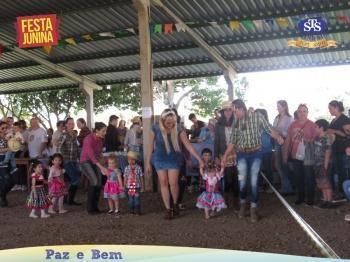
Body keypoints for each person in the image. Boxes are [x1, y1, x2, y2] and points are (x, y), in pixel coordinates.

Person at [222, 99, 284, 223]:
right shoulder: (236, 121)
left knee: (254, 181)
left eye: (235, 111)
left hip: (256, 152)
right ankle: (243, 204)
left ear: (241, 108)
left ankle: (253, 208)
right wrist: (225, 155)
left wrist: (278, 137)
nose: (234, 114)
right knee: (242, 181)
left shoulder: (257, 117)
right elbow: (233, 141)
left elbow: (268, 129)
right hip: (241, 154)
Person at [145, 109, 204, 219]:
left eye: (173, 123)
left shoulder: (179, 128)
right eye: (168, 123)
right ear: (162, 120)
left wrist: (199, 159)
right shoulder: (155, 128)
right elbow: (149, 146)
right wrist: (147, 162)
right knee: (163, 183)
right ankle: (168, 209)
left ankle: (175, 204)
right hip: (159, 158)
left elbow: (188, 145)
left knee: (173, 183)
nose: (171, 125)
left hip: (174, 158)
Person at [283, 104, 318, 206]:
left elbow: (316, 140)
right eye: (300, 111)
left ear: (307, 112)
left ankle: (310, 198)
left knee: (309, 177)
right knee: (298, 177)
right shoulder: (293, 125)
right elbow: (288, 140)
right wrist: (285, 154)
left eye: (304, 111)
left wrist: (308, 140)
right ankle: (301, 197)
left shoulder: (312, 124)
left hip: (308, 155)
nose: (302, 113)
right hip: (295, 155)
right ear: (297, 113)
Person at [214, 101, 239, 209]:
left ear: (232, 111)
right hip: (224, 154)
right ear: (223, 112)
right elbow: (216, 141)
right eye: (225, 110)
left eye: (229, 109)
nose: (228, 112)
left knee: (237, 177)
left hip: (237, 153)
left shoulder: (238, 122)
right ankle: (227, 199)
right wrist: (216, 156)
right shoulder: (218, 125)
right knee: (228, 177)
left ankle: (236, 200)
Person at [80, 122, 109, 215]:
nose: (105, 133)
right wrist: (102, 168)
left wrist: (105, 165)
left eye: (105, 131)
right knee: (95, 182)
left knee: (99, 184)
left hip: (95, 162)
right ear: (97, 131)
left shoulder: (100, 140)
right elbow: (91, 156)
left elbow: (99, 155)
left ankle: (95, 208)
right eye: (103, 131)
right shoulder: (88, 139)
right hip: (85, 161)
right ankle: (90, 208)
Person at [328, 100, 350, 199]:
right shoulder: (333, 120)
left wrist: (335, 131)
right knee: (337, 170)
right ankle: (339, 191)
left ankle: (344, 193)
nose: (329, 110)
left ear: (336, 107)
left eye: (330, 108)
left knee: (342, 172)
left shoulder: (344, 119)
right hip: (334, 148)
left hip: (342, 149)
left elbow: (348, 134)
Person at [57, 118, 81, 206]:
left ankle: (68, 199)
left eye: (73, 123)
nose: (72, 125)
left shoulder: (74, 134)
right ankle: (68, 199)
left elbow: (77, 148)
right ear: (66, 125)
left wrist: (79, 158)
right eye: (70, 123)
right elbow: (59, 148)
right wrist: (60, 160)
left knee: (73, 180)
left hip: (74, 160)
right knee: (75, 179)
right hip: (66, 160)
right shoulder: (64, 135)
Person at [273, 100, 294, 195]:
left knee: (284, 165)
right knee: (278, 165)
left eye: (279, 106)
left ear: (285, 107)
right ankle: (285, 185)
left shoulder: (289, 118)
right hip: (277, 143)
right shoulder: (276, 118)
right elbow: (272, 129)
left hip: (285, 143)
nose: (277, 108)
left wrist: (281, 134)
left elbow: (291, 132)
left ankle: (287, 187)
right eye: (277, 106)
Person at [313, 119, 335, 208]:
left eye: (316, 127)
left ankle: (329, 201)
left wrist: (325, 164)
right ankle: (325, 200)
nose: (314, 128)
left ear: (321, 128)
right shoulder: (317, 138)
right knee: (321, 183)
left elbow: (328, 151)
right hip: (317, 164)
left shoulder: (326, 138)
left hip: (324, 164)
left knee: (326, 183)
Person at [255, 109, 274, 192]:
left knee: (268, 169)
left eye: (259, 115)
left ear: (263, 116)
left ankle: (270, 187)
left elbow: (271, 138)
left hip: (267, 150)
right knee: (258, 169)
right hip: (256, 151)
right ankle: (259, 186)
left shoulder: (268, 125)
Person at [124, 151, 143, 215]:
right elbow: (125, 177)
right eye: (129, 159)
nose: (131, 161)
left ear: (135, 160)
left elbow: (141, 177)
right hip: (129, 186)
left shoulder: (139, 168)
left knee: (137, 198)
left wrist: (142, 186)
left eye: (133, 159)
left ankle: (138, 210)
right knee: (131, 199)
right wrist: (124, 185)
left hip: (137, 186)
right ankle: (131, 210)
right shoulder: (126, 168)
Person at [0, 122, 14, 207]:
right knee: (6, 180)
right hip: (1, 160)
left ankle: (2, 195)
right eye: (2, 128)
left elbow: (15, 147)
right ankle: (3, 197)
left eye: (6, 128)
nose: (5, 129)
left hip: (9, 160)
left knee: (13, 180)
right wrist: (9, 148)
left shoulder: (8, 138)